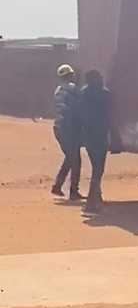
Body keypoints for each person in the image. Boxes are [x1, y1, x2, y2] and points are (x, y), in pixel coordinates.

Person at [79, 70, 111, 213]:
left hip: (88, 136)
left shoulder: (84, 93)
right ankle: (92, 202)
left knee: (96, 168)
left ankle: (97, 198)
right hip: (100, 136)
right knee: (98, 170)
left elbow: (81, 115)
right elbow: (110, 117)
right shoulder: (105, 94)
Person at [50, 64, 84, 201]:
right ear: (70, 76)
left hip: (58, 128)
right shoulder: (72, 89)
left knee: (71, 158)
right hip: (68, 128)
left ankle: (58, 186)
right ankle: (73, 191)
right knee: (75, 159)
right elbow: (78, 106)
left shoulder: (58, 90)